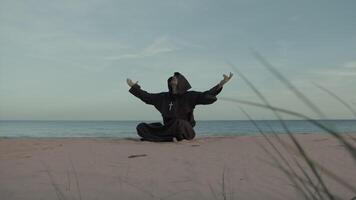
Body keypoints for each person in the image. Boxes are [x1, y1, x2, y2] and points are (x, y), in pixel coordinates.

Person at [127, 72, 233, 142]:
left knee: (178, 123)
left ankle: (164, 138)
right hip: (168, 128)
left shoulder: (190, 96)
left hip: (185, 130)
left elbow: (205, 95)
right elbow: (147, 97)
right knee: (141, 127)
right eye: (172, 78)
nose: (173, 78)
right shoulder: (163, 97)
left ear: (181, 82)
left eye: (176, 78)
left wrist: (221, 84)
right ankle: (168, 138)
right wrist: (134, 87)